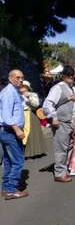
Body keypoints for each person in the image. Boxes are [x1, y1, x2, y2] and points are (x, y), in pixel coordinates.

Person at [43, 66, 75, 182]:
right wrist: (53, 117)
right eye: (68, 74)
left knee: (68, 147)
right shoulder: (58, 88)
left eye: (72, 74)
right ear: (63, 75)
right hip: (61, 122)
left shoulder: (70, 88)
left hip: (68, 122)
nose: (71, 76)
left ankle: (63, 169)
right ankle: (59, 173)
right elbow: (48, 104)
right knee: (61, 148)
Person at [0, 69, 29, 200]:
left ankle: (6, 187)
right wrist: (17, 129)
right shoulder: (8, 92)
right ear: (10, 78)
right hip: (10, 131)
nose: (21, 80)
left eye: (22, 78)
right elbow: (6, 115)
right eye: (18, 77)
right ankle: (11, 189)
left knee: (9, 161)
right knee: (18, 161)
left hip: (8, 131)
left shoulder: (13, 91)